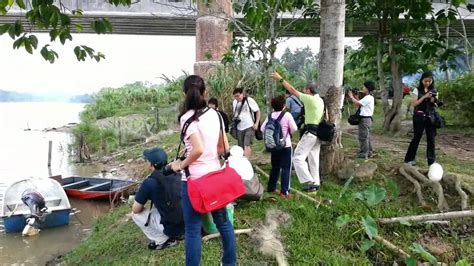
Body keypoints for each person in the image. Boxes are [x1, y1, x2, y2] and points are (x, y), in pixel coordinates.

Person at [169, 75, 236, 266]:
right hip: (215, 177)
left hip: (194, 181)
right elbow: (223, 148)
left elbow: (197, 149)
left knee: (192, 228)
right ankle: (230, 263)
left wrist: (180, 164)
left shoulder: (186, 118)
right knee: (223, 223)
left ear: (184, 93)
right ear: (205, 92)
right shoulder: (216, 114)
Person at [271, 72, 324, 192]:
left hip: (310, 133)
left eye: (305, 90)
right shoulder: (320, 100)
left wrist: (280, 79)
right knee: (313, 158)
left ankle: (309, 181)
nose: (304, 92)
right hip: (318, 133)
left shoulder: (310, 99)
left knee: (298, 158)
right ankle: (315, 184)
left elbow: (292, 90)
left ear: (308, 90)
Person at [131, 147, 184, 250]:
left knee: (136, 215)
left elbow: (136, 209)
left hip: (175, 229)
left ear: (151, 164)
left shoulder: (149, 182)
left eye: (147, 161)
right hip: (191, 222)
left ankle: (163, 241)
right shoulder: (178, 172)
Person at [260, 95, 298, 198]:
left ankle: (271, 188)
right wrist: (286, 133)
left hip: (274, 147)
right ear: (284, 106)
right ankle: (284, 191)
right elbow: (294, 128)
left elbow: (263, 129)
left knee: (275, 167)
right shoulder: (287, 115)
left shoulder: (270, 116)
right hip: (286, 146)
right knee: (286, 168)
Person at [404, 71, 441, 166]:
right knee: (417, 137)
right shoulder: (417, 90)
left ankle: (431, 161)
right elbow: (414, 104)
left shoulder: (434, 90)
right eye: (426, 81)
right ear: (422, 80)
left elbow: (435, 105)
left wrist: (433, 100)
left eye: (430, 81)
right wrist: (425, 96)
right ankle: (409, 159)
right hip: (419, 117)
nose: (428, 83)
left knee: (431, 139)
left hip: (430, 117)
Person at [347, 81, 376, 159]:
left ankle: (363, 154)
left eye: (364, 87)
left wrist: (351, 97)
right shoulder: (368, 97)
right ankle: (369, 152)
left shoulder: (368, 97)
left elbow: (359, 104)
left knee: (363, 137)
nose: (362, 88)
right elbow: (358, 104)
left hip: (365, 119)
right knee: (367, 136)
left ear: (367, 88)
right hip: (366, 119)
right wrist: (355, 97)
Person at [232, 87, 261, 157]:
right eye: (235, 96)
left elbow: (257, 111)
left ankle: (247, 161)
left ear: (242, 94)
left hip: (249, 126)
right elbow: (235, 113)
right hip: (239, 127)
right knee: (240, 146)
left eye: (238, 96)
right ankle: (242, 161)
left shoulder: (249, 100)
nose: (236, 98)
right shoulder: (234, 102)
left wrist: (256, 123)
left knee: (247, 144)